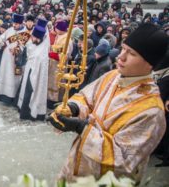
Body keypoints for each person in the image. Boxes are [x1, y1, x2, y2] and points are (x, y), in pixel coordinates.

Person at [46, 23, 169, 182]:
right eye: (123, 48)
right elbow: (87, 96)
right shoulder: (113, 76)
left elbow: (124, 159)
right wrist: (73, 107)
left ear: (150, 63)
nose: (121, 56)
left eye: (131, 53)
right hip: (76, 168)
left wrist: (81, 128)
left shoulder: (151, 111)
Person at [16, 22, 50, 121]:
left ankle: (30, 114)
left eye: (34, 37)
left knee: (30, 94)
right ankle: (24, 112)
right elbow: (30, 50)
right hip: (29, 71)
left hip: (35, 76)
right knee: (26, 93)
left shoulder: (42, 52)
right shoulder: (36, 43)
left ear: (39, 38)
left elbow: (35, 58)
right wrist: (22, 46)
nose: (31, 39)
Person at [0, 13, 27, 105]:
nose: (14, 25)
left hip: (16, 60)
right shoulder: (9, 30)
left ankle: (13, 98)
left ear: (21, 24)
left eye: (16, 24)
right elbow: (3, 38)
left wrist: (17, 50)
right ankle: (3, 97)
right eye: (14, 23)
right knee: (5, 76)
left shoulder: (24, 33)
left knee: (14, 78)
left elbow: (24, 47)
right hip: (6, 58)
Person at [47, 20, 72, 109]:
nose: (55, 30)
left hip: (59, 65)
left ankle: (54, 101)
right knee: (51, 82)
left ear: (61, 29)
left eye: (56, 28)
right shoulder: (59, 35)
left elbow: (66, 54)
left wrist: (54, 55)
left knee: (57, 83)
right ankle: (49, 99)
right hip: (52, 64)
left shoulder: (67, 38)